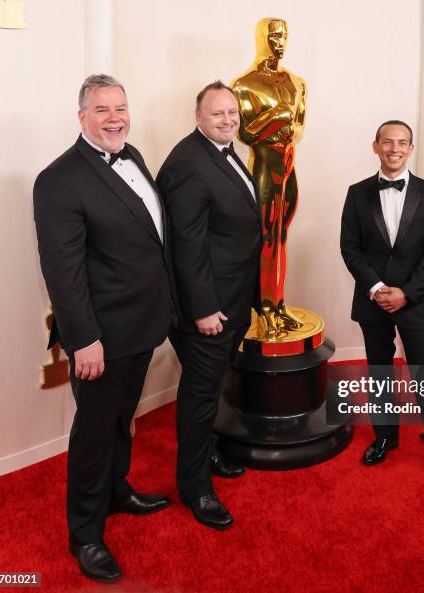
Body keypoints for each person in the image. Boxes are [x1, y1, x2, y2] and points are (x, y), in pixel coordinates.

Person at [33, 74, 179, 582]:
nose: (114, 117)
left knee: (122, 420)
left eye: (120, 106)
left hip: (144, 324)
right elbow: (63, 271)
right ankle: (86, 535)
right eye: (101, 110)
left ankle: (119, 492)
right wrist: (83, 340)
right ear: (81, 118)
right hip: (102, 336)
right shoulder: (59, 179)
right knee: (94, 434)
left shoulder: (133, 154)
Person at [340, 120, 424, 499]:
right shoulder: (356, 193)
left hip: (414, 300)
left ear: (411, 148)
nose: (394, 148)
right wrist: (377, 288)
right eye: (387, 142)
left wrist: (406, 293)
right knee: (379, 371)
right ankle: (386, 437)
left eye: (402, 143)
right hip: (372, 299)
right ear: (375, 146)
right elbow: (349, 248)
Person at [156, 81, 262, 530]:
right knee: (200, 397)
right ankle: (195, 487)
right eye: (217, 114)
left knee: (212, 388)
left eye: (232, 113)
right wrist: (202, 309)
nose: (227, 120)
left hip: (230, 299)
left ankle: (208, 453)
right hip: (206, 310)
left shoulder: (222, 151)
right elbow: (186, 245)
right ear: (198, 116)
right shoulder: (187, 164)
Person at [232, 17, 306, 337]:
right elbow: (246, 134)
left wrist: (287, 126)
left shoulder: (296, 82)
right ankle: (262, 307)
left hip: (289, 167)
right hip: (263, 166)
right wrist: (275, 118)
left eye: (285, 35)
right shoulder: (244, 84)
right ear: (262, 37)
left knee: (282, 236)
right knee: (265, 238)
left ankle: (278, 304)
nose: (281, 41)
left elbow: (299, 125)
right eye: (274, 35)